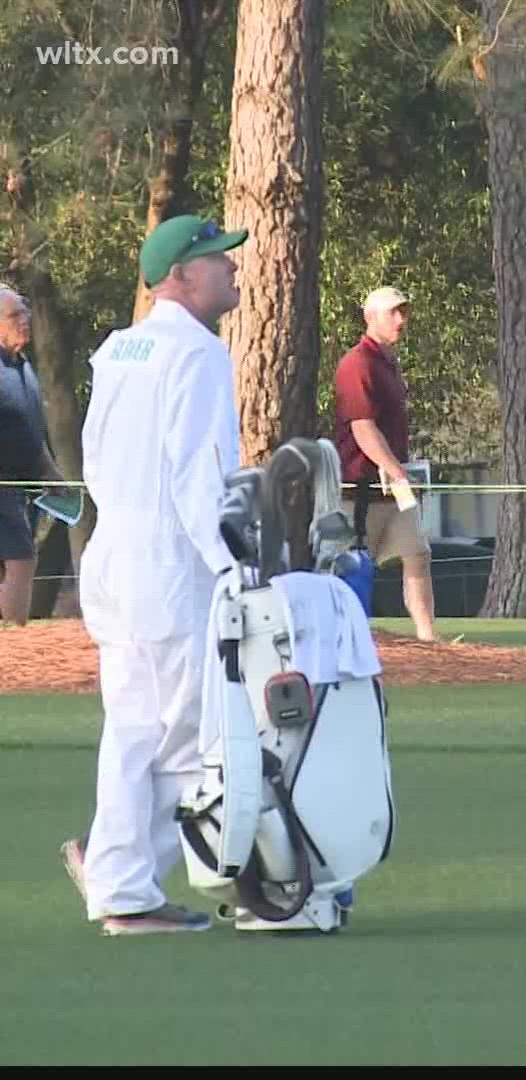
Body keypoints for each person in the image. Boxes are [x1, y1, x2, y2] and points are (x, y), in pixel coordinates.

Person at [59, 214, 248, 935]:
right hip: (169, 565)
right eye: (215, 260)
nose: (231, 269)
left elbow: (98, 454)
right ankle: (124, 881)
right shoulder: (197, 354)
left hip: (113, 556)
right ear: (179, 276)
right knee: (187, 733)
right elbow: (199, 476)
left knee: (133, 727)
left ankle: (115, 869)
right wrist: (234, 567)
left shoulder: (119, 350)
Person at [333, 285, 438, 641]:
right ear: (370, 318)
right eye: (393, 312)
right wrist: (397, 472)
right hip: (360, 490)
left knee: (418, 554)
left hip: (393, 490)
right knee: (354, 566)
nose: (401, 319)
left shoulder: (388, 362)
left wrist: (398, 477)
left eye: (403, 312)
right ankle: (350, 637)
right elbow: (363, 428)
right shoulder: (357, 363)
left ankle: (427, 637)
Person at [0, 284, 62, 627]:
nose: (25, 321)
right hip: (2, 486)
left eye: (25, 313)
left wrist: (51, 473)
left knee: (15, 561)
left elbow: (29, 429)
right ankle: (14, 639)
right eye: (14, 316)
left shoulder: (22, 365)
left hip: (24, 488)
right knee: (21, 560)